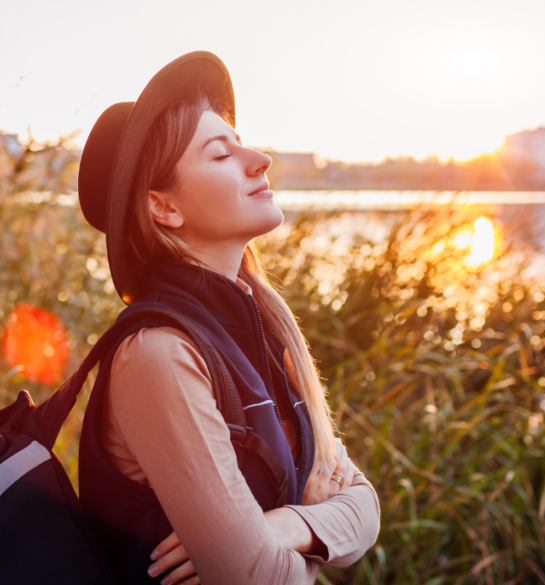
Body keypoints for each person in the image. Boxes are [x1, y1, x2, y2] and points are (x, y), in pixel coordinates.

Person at [75, 52, 380, 584]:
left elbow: (366, 509)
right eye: (222, 155)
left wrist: (283, 526)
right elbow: (257, 577)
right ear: (164, 208)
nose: (260, 158)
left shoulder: (260, 331)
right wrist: (295, 539)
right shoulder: (159, 354)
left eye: (243, 143)